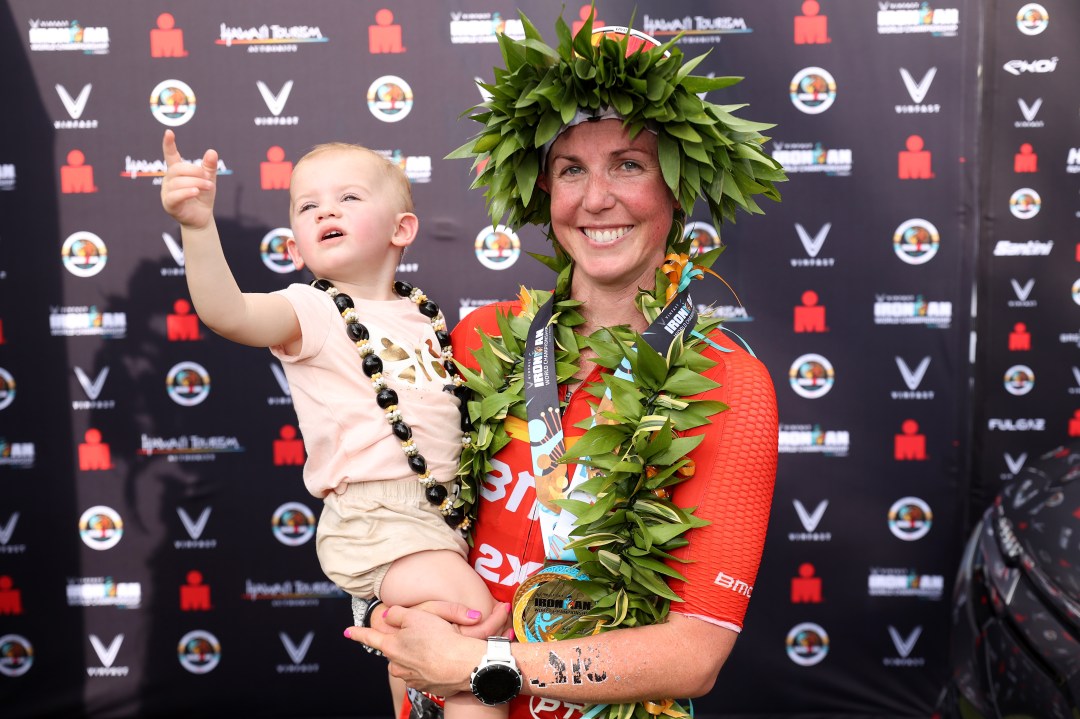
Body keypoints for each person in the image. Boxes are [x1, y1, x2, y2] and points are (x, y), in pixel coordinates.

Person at [345, 16, 786, 719]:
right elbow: (399, 513)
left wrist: (482, 666)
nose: (596, 198)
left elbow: (697, 651)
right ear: (544, 192)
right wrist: (398, 615)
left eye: (629, 165)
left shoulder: (730, 381)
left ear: (678, 190)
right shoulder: (482, 336)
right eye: (571, 168)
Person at [159, 129, 506, 719]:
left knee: (422, 658)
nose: (325, 210)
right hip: (378, 521)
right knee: (472, 625)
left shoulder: (423, 314)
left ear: (401, 230)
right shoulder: (312, 311)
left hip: (442, 518)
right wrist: (197, 225)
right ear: (296, 245)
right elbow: (229, 312)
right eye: (307, 205)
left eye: (348, 198)